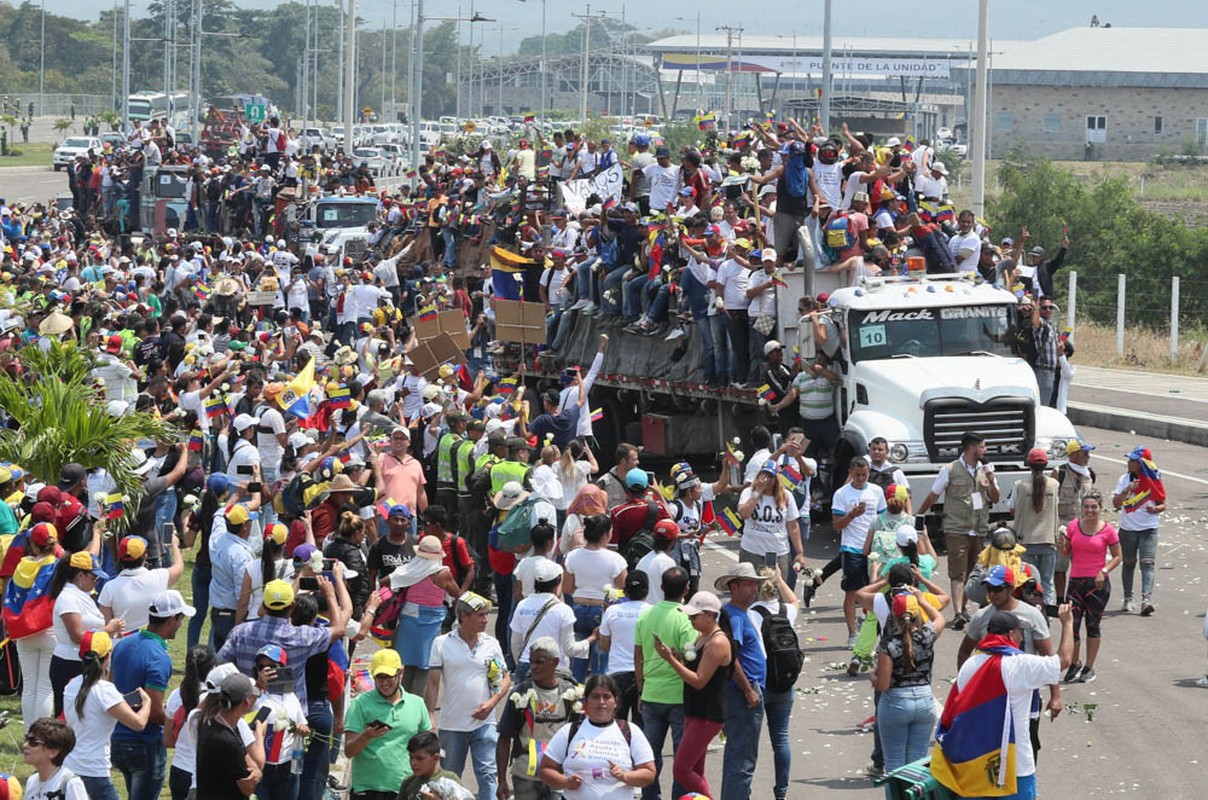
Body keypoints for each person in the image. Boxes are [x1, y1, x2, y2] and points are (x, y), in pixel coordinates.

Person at [932, 605, 1075, 800]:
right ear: (1011, 634)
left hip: (976, 765)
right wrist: (1068, 624)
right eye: (1020, 632)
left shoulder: (970, 665)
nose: (1022, 638)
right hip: (1015, 769)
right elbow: (1064, 660)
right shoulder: (1020, 664)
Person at [424, 592, 511, 800]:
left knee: (488, 775)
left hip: (485, 723)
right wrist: (430, 714)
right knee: (450, 779)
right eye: (480, 615)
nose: (486, 620)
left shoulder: (492, 644)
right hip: (452, 725)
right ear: (463, 616)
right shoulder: (441, 643)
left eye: (486, 614)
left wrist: (491, 704)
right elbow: (433, 682)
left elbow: (506, 678)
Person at [219, 576, 351, 711]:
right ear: (293, 606)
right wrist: (329, 594)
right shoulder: (302, 636)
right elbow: (339, 630)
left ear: (264, 605)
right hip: (290, 715)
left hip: (248, 708)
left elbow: (220, 666)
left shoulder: (240, 632)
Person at [110, 589, 194, 800]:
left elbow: (110, 688)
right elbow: (155, 712)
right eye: (180, 618)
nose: (181, 624)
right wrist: (178, 722)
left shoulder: (122, 645)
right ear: (172, 620)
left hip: (117, 738)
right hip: (144, 744)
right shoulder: (159, 658)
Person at [650, 590, 731, 799]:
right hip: (695, 711)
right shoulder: (703, 637)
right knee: (694, 770)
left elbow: (699, 681)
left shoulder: (717, 642)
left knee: (682, 769)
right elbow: (696, 668)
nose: (690, 620)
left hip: (707, 715)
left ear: (710, 615)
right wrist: (678, 658)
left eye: (694, 616)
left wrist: (670, 660)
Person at [916, 432, 1001, 628]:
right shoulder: (950, 470)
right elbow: (933, 495)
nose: (985, 450)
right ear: (972, 448)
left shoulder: (985, 470)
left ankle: (963, 609)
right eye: (983, 446)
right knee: (958, 572)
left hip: (978, 528)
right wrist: (919, 515)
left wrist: (991, 477)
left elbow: (995, 498)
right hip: (956, 527)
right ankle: (958, 612)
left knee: (974, 572)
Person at [62, 630, 152, 800]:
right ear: (108, 656)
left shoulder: (72, 685)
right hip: (94, 771)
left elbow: (93, 710)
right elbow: (138, 723)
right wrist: (147, 703)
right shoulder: (105, 691)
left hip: (71, 765)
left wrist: (120, 703)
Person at [871, 589, 946, 790]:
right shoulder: (927, 636)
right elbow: (940, 618)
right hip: (924, 701)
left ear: (892, 616)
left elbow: (883, 685)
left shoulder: (888, 645)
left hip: (896, 702)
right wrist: (923, 600)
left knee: (895, 766)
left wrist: (872, 676)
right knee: (917, 767)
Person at [538, 674, 656, 800]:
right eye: (595, 697)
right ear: (586, 702)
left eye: (606, 696)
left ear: (615, 701)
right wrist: (565, 782)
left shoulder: (630, 731)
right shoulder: (570, 731)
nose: (601, 702)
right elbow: (545, 769)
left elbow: (649, 773)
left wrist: (625, 776)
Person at [632, 566, 694, 800]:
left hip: (651, 694)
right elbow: (690, 658)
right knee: (682, 757)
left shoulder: (646, 615)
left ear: (661, 587)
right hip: (679, 696)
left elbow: (638, 658)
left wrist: (640, 690)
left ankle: (651, 796)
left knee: (649, 755)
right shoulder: (685, 618)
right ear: (686, 590)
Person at [495, 636, 582, 800]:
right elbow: (505, 737)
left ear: (555, 663)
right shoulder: (520, 693)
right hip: (525, 774)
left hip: (559, 774)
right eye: (531, 661)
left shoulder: (571, 694)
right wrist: (501, 780)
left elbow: (582, 738)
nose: (533, 667)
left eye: (540, 662)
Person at [344, 648, 433, 800]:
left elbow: (429, 748)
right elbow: (349, 751)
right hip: (367, 789)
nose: (384, 683)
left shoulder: (417, 704)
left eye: (389, 677)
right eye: (379, 677)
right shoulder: (360, 704)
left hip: (406, 788)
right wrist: (366, 736)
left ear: (400, 673)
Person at [716, 563, 772, 800]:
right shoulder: (735, 616)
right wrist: (748, 690)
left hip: (743, 692)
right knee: (742, 759)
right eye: (749, 585)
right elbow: (730, 657)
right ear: (734, 587)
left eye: (756, 585)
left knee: (739, 757)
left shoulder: (741, 614)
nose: (754, 589)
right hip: (743, 694)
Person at [50, 550, 124, 717]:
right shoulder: (68, 598)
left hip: (83, 661)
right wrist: (108, 629)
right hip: (70, 662)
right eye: (94, 578)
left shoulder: (81, 595)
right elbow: (77, 636)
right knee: (67, 717)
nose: (96, 583)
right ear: (80, 575)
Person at [3, 521, 62, 730]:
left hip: (23, 632)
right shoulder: (57, 565)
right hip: (49, 629)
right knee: (45, 687)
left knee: (29, 687)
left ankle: (30, 733)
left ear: (33, 544)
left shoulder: (22, 565)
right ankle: (41, 735)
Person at [751, 566, 802, 800]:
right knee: (781, 739)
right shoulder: (786, 611)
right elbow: (795, 600)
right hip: (784, 683)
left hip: (759, 683)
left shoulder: (752, 613)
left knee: (749, 742)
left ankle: (745, 789)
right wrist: (781, 579)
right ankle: (781, 792)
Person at [1059, 492, 1121, 684]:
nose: (1090, 510)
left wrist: (1104, 570)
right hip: (1076, 582)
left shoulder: (1108, 530)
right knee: (1072, 625)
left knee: (1092, 625)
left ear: (1100, 508)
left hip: (1097, 584)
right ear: (1081, 508)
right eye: (1087, 507)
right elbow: (1066, 552)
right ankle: (1074, 663)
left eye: (1094, 507)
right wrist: (1061, 545)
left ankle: (1089, 666)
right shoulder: (1073, 527)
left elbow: (1118, 556)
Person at [563, 514, 628, 681]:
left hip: (577, 609)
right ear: (605, 534)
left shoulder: (572, 556)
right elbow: (623, 590)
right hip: (602, 611)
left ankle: (575, 700)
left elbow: (567, 587)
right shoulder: (616, 559)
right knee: (601, 662)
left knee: (578, 659)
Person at [831, 457, 887, 645]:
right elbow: (837, 526)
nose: (861, 478)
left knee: (876, 589)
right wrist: (851, 515)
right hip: (852, 547)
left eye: (864, 475)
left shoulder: (877, 491)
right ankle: (852, 633)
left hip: (874, 549)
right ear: (851, 473)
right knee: (852, 591)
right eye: (857, 475)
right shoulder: (841, 494)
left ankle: (874, 629)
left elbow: (883, 519)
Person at [250, 644, 310, 800]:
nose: (265, 671)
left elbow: (303, 725)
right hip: (260, 767)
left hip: (287, 766)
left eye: (271, 666)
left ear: (282, 668)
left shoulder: (291, 698)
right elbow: (244, 709)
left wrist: (302, 729)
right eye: (261, 667)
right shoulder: (254, 695)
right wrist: (258, 685)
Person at [1112, 446, 1165, 616]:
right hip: (1128, 529)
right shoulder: (1124, 479)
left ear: (1142, 463)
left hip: (1149, 529)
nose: (1128, 463)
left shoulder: (1154, 479)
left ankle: (1146, 600)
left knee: (1147, 563)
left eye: (1133, 460)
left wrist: (1156, 510)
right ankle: (1128, 598)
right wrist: (1127, 490)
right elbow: (1116, 504)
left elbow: (1163, 503)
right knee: (1128, 563)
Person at [195, 672, 265, 800]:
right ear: (247, 702)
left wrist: (255, 770)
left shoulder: (214, 723)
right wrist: (258, 773)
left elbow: (247, 758)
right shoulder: (227, 741)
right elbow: (247, 788)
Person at [164, 645, 219, 800]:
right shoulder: (215, 701)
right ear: (213, 668)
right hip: (204, 773)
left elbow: (168, 740)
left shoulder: (175, 695)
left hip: (179, 769)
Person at [98, 533, 185, 631]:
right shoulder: (159, 577)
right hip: (152, 641)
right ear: (145, 556)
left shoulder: (109, 588)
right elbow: (179, 567)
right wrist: (174, 545)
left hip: (121, 643)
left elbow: (106, 625)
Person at [1010, 448, 1061, 611]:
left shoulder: (1020, 485)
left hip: (1026, 540)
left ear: (1028, 465)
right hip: (1048, 539)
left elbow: (1011, 508)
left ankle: (1031, 610)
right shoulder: (1054, 485)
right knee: (1047, 580)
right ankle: (1047, 611)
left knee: (1028, 579)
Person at [737, 461, 807, 576]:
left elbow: (793, 526)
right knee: (750, 591)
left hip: (777, 552)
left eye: (770, 477)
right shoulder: (748, 492)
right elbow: (744, 514)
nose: (767, 480)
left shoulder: (786, 496)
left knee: (775, 590)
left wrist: (800, 552)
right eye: (764, 475)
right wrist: (757, 492)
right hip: (751, 550)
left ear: (776, 479)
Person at [599, 571, 651, 726]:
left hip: (617, 675)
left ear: (625, 590)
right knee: (641, 726)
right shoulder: (652, 612)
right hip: (645, 675)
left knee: (616, 726)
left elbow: (604, 646)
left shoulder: (612, 611)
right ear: (647, 590)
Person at [1052, 438, 1096, 604]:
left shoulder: (1088, 474)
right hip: (1063, 528)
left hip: (1082, 528)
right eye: (1085, 453)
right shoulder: (1060, 472)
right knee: (1060, 567)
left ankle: (1079, 599)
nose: (1088, 456)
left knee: (1082, 567)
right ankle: (1060, 600)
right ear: (1075, 454)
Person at [21, 717, 89, 800]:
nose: (25, 745)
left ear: (53, 752)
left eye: (33, 742)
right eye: (26, 739)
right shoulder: (32, 780)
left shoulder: (70, 784)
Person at [398, 731, 475, 800]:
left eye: (419, 758)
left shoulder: (449, 781)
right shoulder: (408, 782)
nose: (413, 763)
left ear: (436, 758)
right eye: (411, 757)